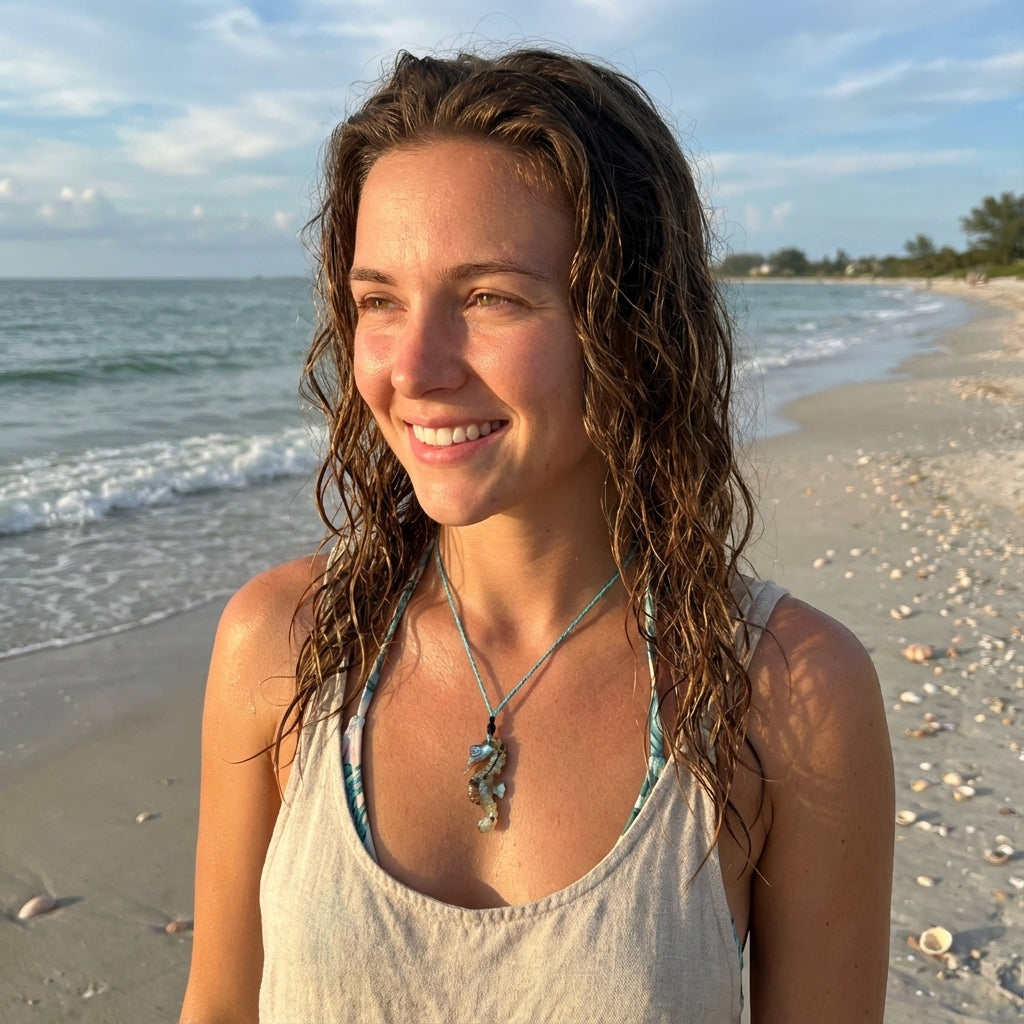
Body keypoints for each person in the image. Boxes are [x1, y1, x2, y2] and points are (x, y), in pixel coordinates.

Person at [180, 47, 894, 1024]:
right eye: (379, 300)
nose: (415, 367)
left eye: (489, 297)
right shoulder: (283, 643)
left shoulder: (783, 689)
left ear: (628, 322)